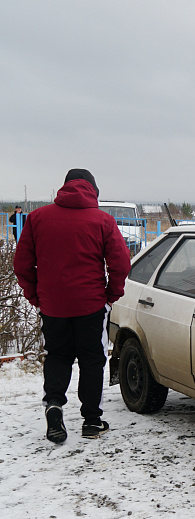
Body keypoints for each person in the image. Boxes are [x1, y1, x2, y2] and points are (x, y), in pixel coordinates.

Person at [14, 169, 131, 444]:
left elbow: (22, 265)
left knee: (57, 356)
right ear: (93, 190)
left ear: (64, 187)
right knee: (92, 360)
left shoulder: (37, 218)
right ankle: (91, 421)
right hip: (90, 305)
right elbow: (121, 263)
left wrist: (36, 297)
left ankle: (54, 408)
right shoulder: (103, 221)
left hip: (52, 306)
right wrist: (110, 295)